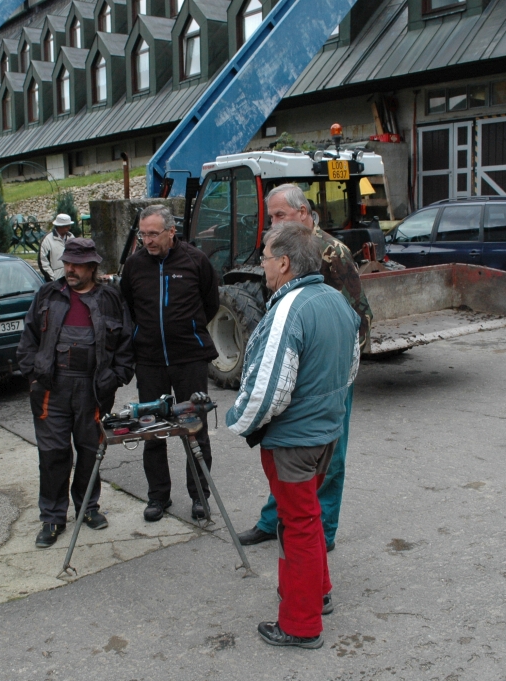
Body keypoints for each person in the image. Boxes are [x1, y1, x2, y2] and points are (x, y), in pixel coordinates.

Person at [227, 221, 360, 648]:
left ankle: (301, 625)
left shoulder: (289, 309)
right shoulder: (336, 300)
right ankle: (318, 593)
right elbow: (350, 368)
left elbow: (268, 389)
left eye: (265, 257)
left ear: (284, 263)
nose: (262, 265)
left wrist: (239, 422)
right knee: (308, 518)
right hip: (325, 434)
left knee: (297, 526)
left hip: (294, 442)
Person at [237, 184, 372, 552]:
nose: (273, 222)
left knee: (330, 457)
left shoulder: (333, 253)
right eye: (271, 216)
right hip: (292, 367)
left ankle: (321, 533)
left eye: (280, 215)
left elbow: (358, 316)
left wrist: (336, 371)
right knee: (284, 450)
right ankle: (273, 521)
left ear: (303, 213)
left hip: (326, 375)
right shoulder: (280, 247)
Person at [17, 239, 134, 547]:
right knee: (53, 454)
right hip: (51, 389)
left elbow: (126, 343)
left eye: (77, 265)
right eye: (67, 263)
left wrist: (116, 377)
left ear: (92, 267)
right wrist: (33, 375)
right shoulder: (48, 294)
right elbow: (28, 337)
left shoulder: (110, 298)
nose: (70, 269)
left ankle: (87, 508)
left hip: (93, 390)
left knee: (90, 452)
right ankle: (52, 518)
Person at [120, 204, 220, 522]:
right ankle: (158, 497)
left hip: (189, 359)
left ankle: (200, 497)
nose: (147, 240)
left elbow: (210, 303)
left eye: (153, 233)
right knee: (152, 430)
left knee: (194, 429)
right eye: (143, 234)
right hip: (149, 362)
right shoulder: (134, 265)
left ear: (171, 231)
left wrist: (187, 328)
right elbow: (128, 307)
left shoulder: (195, 261)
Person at [38, 213, 76, 282]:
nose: (69, 228)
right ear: (60, 226)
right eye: (67, 226)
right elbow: (43, 263)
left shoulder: (71, 237)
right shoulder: (47, 240)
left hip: (71, 279)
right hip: (55, 280)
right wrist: (53, 279)